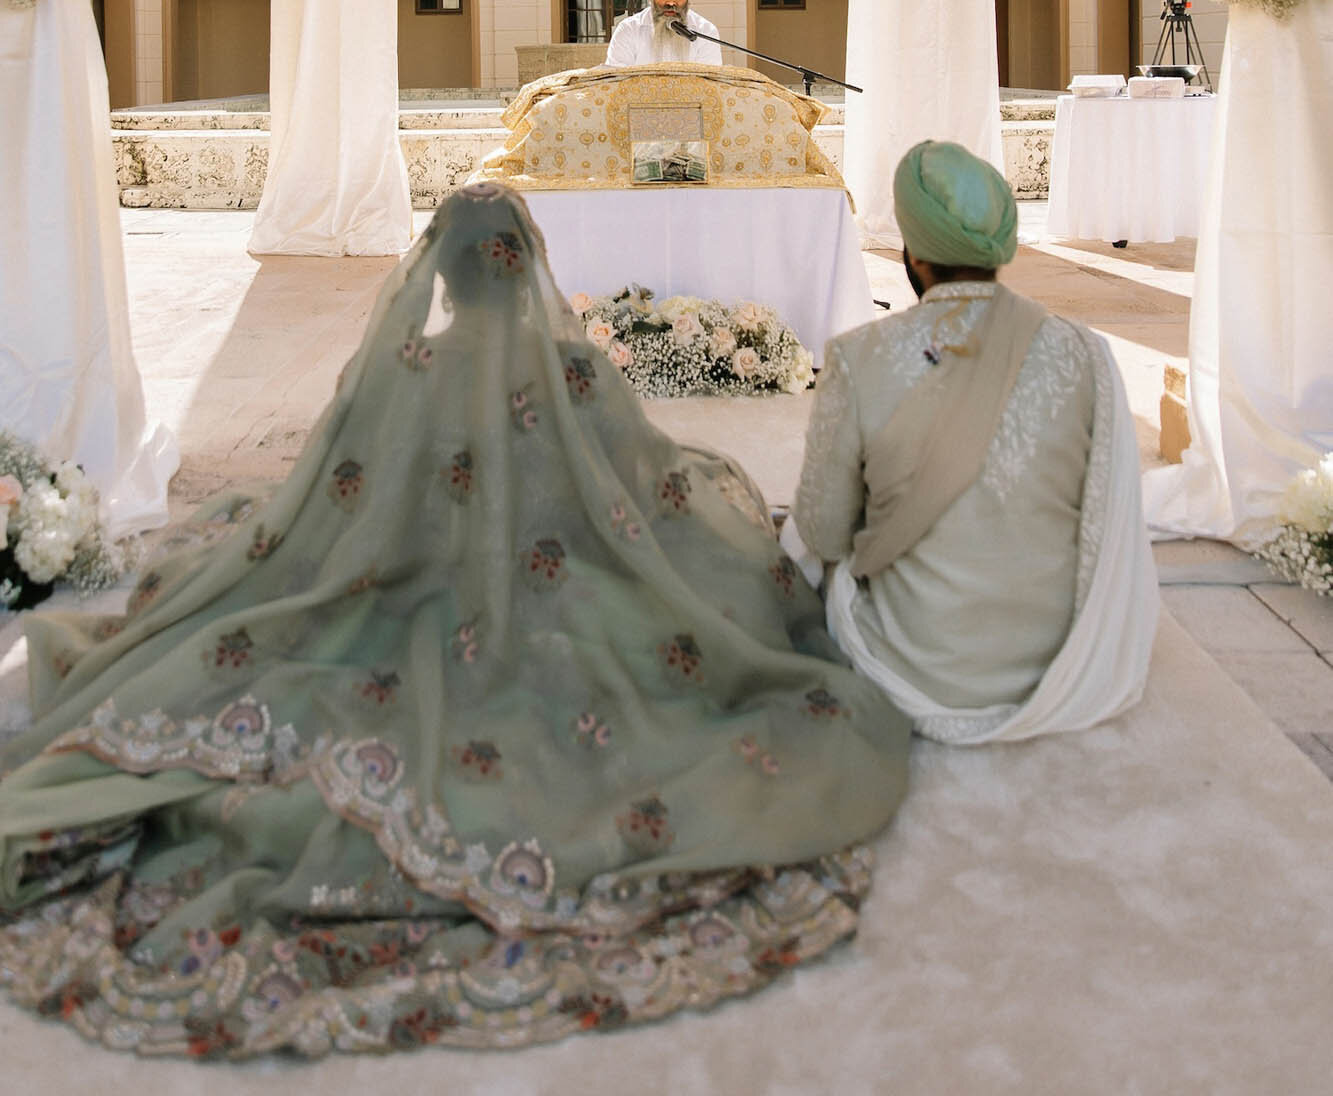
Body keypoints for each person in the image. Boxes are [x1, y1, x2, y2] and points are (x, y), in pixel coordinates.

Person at [0, 183, 909, 1061]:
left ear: (439, 276)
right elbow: (639, 491)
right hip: (559, 597)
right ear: (527, 267)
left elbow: (331, 499)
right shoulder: (577, 373)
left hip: (399, 588)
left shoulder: (402, 370)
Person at [785, 141, 1158, 744]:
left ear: (913, 252)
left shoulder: (858, 358)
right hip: (1056, 667)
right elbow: (1104, 523)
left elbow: (823, 533)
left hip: (911, 666)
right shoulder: (1086, 354)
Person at [604, 0, 722, 66]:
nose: (671, 2)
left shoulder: (705, 31)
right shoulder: (628, 29)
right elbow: (616, 78)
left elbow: (710, 80)